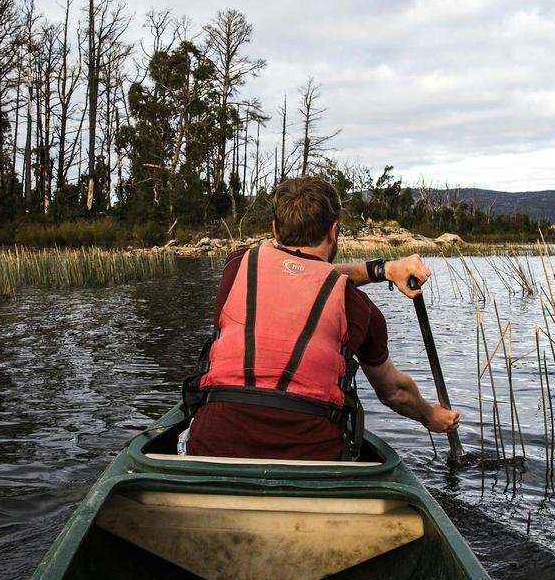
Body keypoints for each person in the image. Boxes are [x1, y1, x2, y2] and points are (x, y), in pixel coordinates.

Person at [183, 175, 460, 460]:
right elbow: (394, 393)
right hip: (312, 457)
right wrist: (430, 416)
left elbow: (299, 270)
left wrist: (384, 269)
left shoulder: (237, 266)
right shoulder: (360, 308)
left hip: (214, 443)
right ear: (334, 231)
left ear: (275, 232)